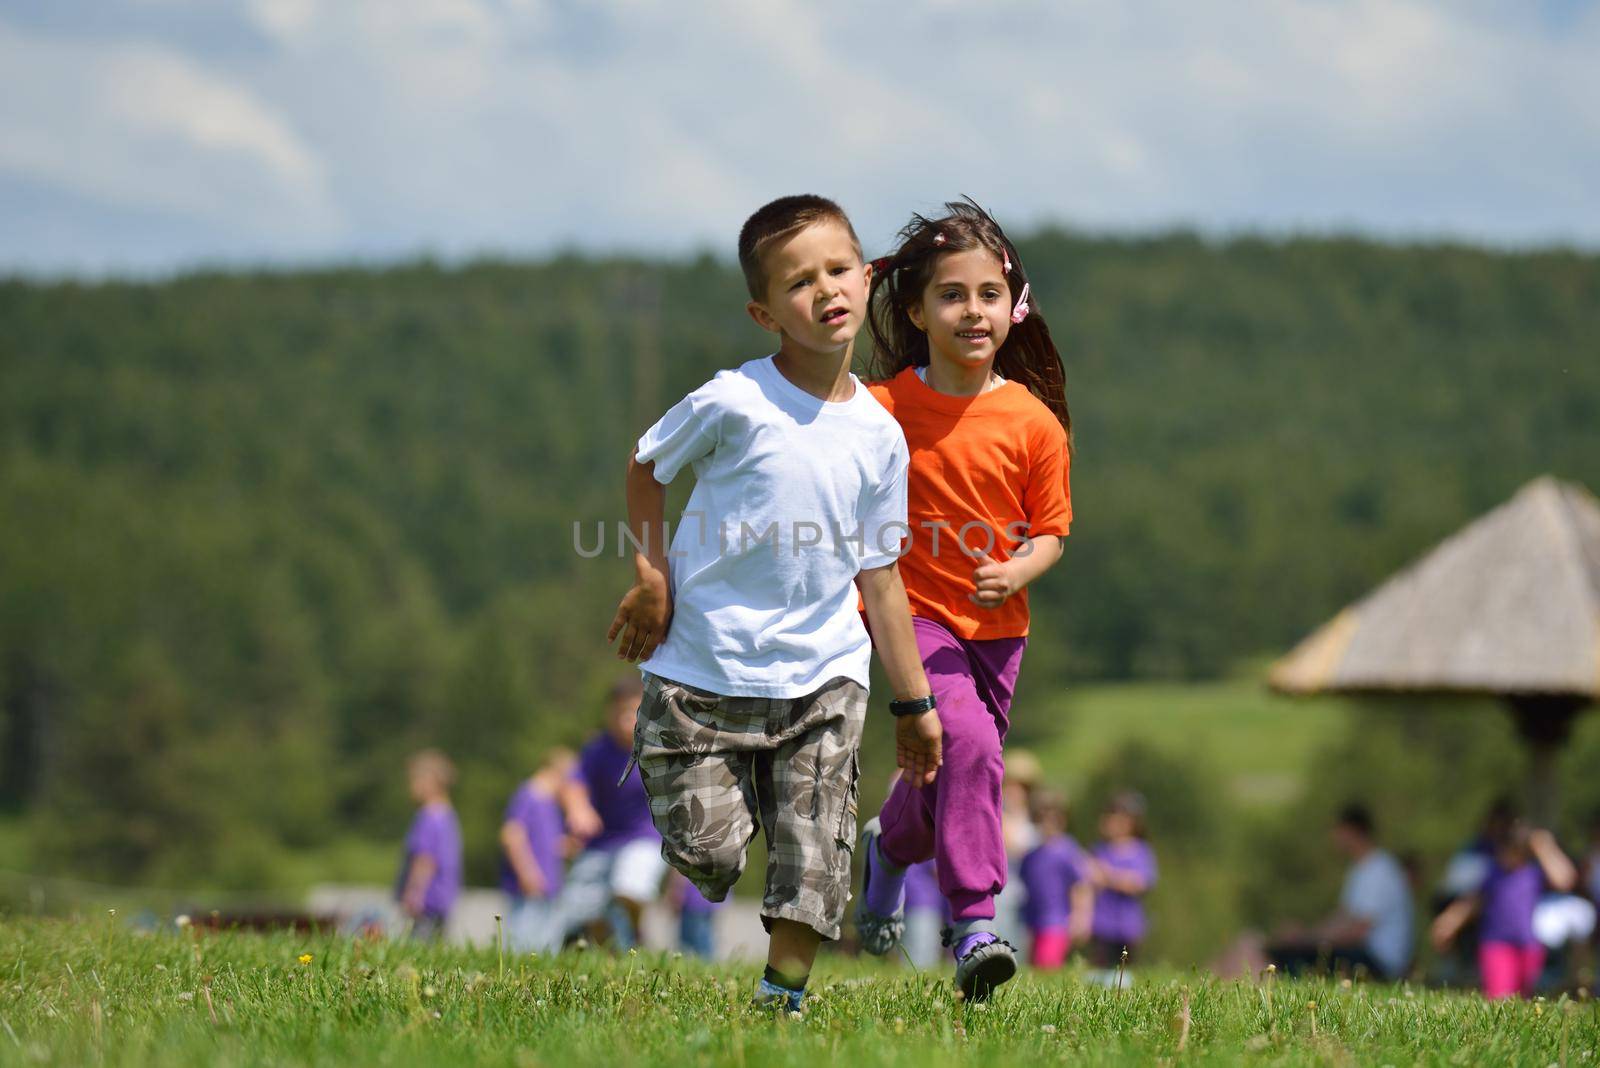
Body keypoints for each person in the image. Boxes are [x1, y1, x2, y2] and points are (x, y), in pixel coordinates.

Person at [606, 194, 941, 1014]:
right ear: (765, 311)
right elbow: (646, 466)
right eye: (799, 282)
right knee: (711, 857)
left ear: (866, 279)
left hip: (824, 679)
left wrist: (914, 702)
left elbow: (882, 577)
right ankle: (681, 777)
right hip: (702, 675)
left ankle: (777, 1003)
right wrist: (654, 575)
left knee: (816, 856)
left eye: (837, 270)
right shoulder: (734, 401)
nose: (824, 290)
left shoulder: (880, 434)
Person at [852, 198, 1073, 1001]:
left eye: (987, 294)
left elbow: (1051, 530)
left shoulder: (1033, 421)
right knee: (972, 745)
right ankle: (974, 923)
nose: (971, 312)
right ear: (915, 309)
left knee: (947, 771)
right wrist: (864, 277)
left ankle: (887, 850)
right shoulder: (882, 409)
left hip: (999, 632)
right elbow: (819, 376)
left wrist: (1019, 571)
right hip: (910, 618)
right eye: (950, 295)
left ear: (1011, 307)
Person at [553, 678, 667, 950]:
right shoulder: (598, 750)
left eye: (633, 711)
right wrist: (578, 809)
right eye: (619, 712)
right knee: (583, 911)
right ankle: (611, 951)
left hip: (643, 838)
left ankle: (637, 933)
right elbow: (573, 784)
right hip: (601, 842)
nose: (625, 719)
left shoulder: (657, 748)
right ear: (608, 713)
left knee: (629, 886)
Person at [1432, 821, 1578, 999]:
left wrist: (1545, 847)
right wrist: (1450, 922)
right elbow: (1473, 901)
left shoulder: (1533, 873)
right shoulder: (1494, 874)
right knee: (1499, 997)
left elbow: (1565, 880)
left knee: (1525, 998)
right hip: (1496, 944)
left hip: (1527, 945)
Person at [1268, 804, 1414, 980]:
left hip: (1378, 961)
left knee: (1288, 960)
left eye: (1338, 831)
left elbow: (1358, 930)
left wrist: (1306, 940)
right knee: (1287, 952)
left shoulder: (1379, 871)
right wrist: (1304, 936)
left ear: (1352, 831)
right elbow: (1342, 918)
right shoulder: (1360, 869)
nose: (1334, 837)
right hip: (1365, 955)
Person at [499, 746, 576, 953]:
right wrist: (527, 872)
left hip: (547, 889)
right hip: (529, 887)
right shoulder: (529, 795)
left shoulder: (549, 804)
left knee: (543, 947)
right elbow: (512, 835)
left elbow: (544, 840)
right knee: (521, 945)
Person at [1018, 790, 1093, 970]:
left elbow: (1081, 885)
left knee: (1047, 965)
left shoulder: (1067, 850)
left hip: (1057, 922)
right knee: (1033, 966)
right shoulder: (1031, 855)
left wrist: (1081, 916)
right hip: (1033, 921)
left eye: (1054, 818)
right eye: (1042, 818)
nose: (1048, 824)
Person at [395, 749, 462, 941]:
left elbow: (425, 859)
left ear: (430, 782)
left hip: (425, 901)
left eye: (414, 781)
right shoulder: (448, 815)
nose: (411, 787)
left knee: (417, 948)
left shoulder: (429, 817)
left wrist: (413, 893)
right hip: (443, 898)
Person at [1088, 792, 1158, 971]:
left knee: (1125, 968)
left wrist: (1110, 877)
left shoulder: (1139, 850)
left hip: (1127, 925)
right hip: (1101, 924)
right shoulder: (1100, 849)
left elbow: (1139, 883)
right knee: (1101, 967)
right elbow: (1090, 877)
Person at [672, 871, 722, 959]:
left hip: (693, 900)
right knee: (704, 941)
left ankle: (698, 967)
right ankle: (706, 967)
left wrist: (676, 892)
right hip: (710, 899)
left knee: (687, 945)